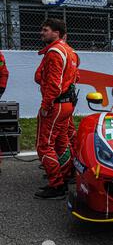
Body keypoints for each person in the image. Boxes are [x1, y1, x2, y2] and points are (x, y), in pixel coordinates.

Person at [34, 18, 79, 200]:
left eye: (46, 30)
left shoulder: (54, 52)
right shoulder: (70, 51)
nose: (42, 33)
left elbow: (54, 84)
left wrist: (45, 106)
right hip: (66, 104)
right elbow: (75, 77)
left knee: (44, 146)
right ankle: (66, 174)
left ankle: (57, 185)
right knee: (61, 142)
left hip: (56, 104)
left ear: (56, 33)